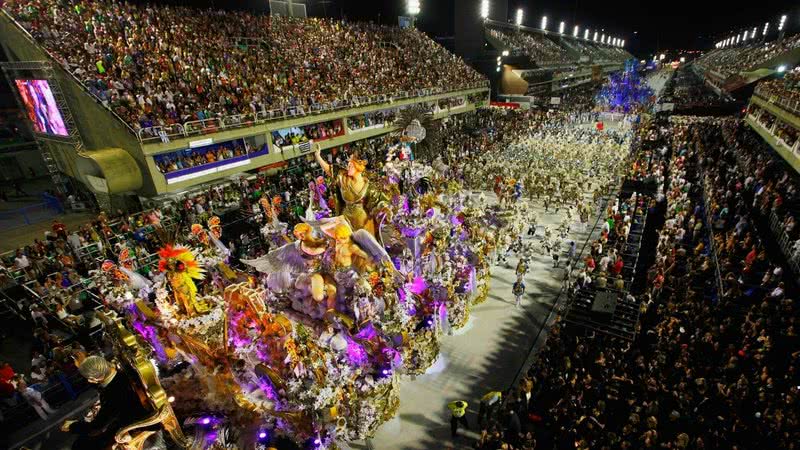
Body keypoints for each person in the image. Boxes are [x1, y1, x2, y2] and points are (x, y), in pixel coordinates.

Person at [62, 356, 151, 450]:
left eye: (89, 378)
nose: (89, 380)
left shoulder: (112, 394)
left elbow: (97, 427)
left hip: (132, 423)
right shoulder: (120, 372)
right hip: (133, 410)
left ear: (96, 378)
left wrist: (73, 426)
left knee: (80, 445)